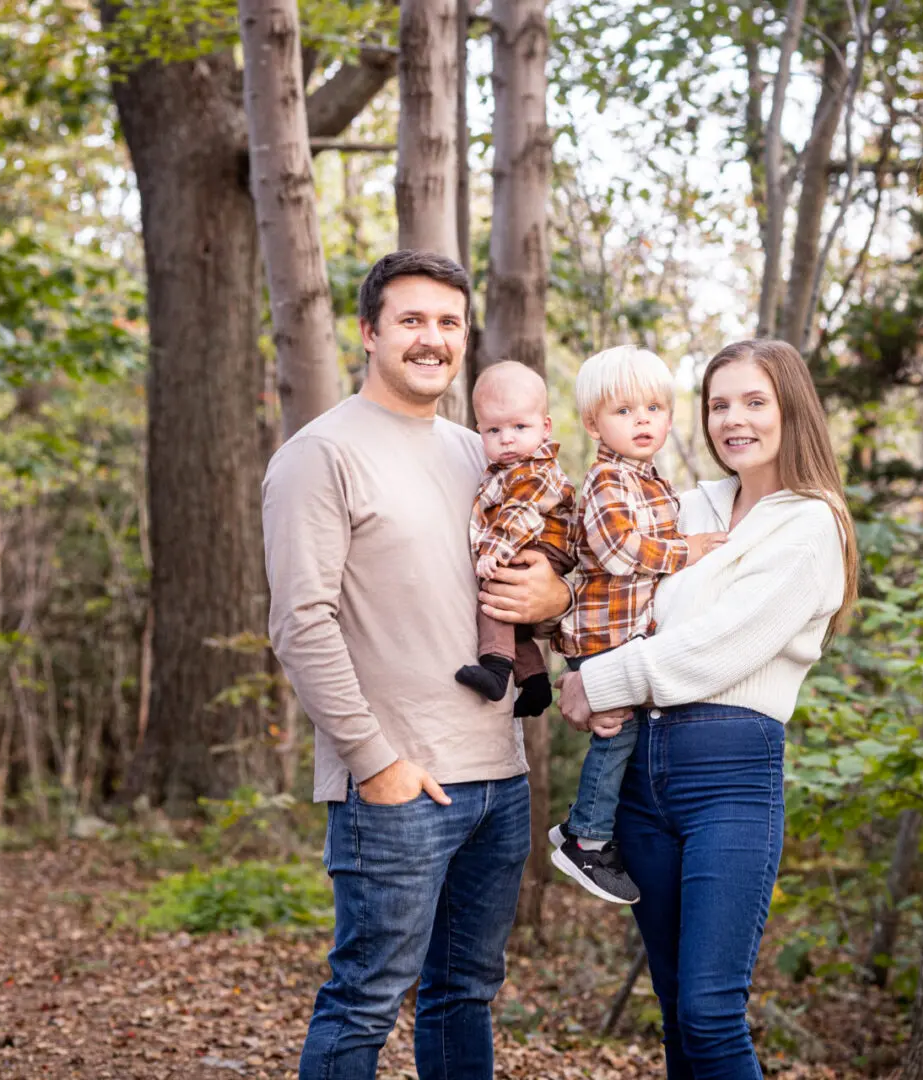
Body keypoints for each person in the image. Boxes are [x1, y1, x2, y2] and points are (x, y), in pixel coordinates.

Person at [262, 250, 570, 1080]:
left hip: (498, 783)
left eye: (448, 322)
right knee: (365, 999)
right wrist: (375, 761)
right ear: (368, 333)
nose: (432, 339)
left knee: (463, 995)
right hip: (397, 788)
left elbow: (548, 574)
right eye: (411, 320)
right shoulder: (319, 455)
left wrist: (556, 599)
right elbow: (300, 622)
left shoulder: (486, 454)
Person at [558, 339, 860, 1079]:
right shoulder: (686, 505)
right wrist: (548, 606)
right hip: (640, 774)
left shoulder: (811, 524)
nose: (734, 420)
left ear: (792, 409)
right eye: (719, 404)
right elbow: (609, 580)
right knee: (673, 1008)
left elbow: (718, 648)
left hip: (728, 776)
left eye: (755, 402)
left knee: (710, 1011)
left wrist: (596, 683)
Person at [547, 345, 727, 906]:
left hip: (628, 636)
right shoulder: (607, 480)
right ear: (592, 422)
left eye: (653, 407)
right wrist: (687, 550)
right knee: (617, 732)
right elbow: (621, 551)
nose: (642, 420)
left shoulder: (651, 482)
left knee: (625, 734)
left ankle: (584, 821)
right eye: (623, 411)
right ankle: (588, 840)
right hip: (603, 636)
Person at [455, 361, 577, 718]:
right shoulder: (503, 468)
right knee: (514, 614)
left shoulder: (535, 468)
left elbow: (520, 513)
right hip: (526, 541)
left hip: (541, 544)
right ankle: (535, 680)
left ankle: (496, 670)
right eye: (494, 430)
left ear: (545, 427)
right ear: (479, 430)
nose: (507, 438)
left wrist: (491, 553)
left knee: (495, 589)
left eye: (520, 426)